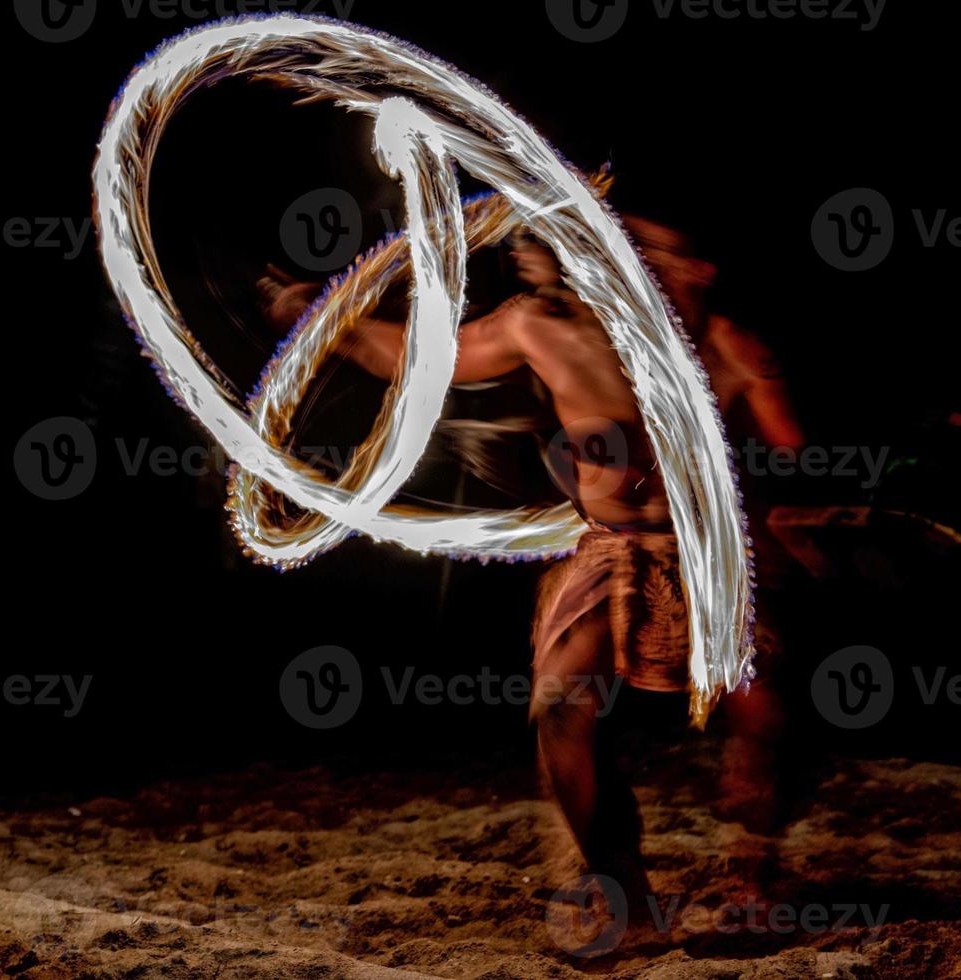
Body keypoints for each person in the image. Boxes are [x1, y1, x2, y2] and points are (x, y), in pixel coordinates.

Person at [259, 212, 803, 906]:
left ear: (700, 272)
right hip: (614, 550)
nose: (645, 264)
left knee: (761, 712)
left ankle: (752, 880)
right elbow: (421, 359)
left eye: (661, 253)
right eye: (633, 251)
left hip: (719, 554)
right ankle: (625, 896)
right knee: (559, 708)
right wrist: (325, 318)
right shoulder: (544, 326)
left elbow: (795, 458)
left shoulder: (730, 345)